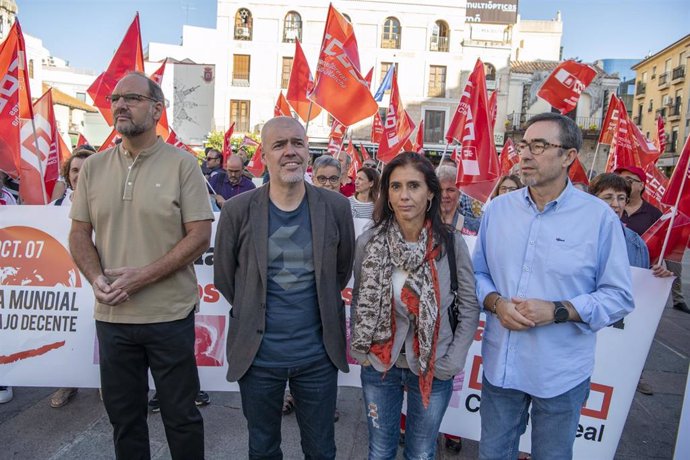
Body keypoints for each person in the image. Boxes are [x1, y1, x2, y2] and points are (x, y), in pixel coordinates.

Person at [69, 72, 213, 459]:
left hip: (169, 316)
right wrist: (97, 278)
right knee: (124, 419)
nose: (119, 105)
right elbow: (79, 234)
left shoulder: (183, 165)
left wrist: (141, 278)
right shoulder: (94, 168)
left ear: (156, 108)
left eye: (131, 97)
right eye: (115, 98)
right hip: (112, 319)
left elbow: (200, 236)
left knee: (181, 417)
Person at [473, 112, 634, 459]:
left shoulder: (599, 218)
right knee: (492, 454)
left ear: (568, 157)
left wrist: (559, 310)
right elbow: (477, 275)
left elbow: (618, 296)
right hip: (502, 367)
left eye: (540, 145)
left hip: (560, 375)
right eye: (524, 145)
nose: (526, 154)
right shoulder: (498, 210)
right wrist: (497, 303)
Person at [214, 116, 355, 459]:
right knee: (262, 448)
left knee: (321, 449)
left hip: (318, 357)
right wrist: (253, 305)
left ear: (308, 151)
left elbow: (341, 270)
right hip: (258, 357)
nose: (289, 151)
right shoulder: (237, 210)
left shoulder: (336, 207)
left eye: (297, 143)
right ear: (263, 155)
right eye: (279, 145)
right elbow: (225, 277)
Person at [350, 152, 480, 459]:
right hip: (381, 362)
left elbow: (470, 306)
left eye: (414, 186)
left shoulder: (450, 243)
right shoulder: (369, 242)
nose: (404, 195)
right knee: (380, 451)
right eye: (395, 187)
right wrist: (362, 352)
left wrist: (453, 360)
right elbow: (359, 296)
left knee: (421, 453)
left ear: (431, 192)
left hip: (434, 365)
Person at [589, 173, 673, 395]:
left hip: (614, 333)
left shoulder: (635, 243)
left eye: (621, 198)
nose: (615, 204)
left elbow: (639, 287)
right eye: (608, 197)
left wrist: (658, 275)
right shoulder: (575, 234)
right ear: (593, 199)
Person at [47, 147, 94, 408]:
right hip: (63, 279)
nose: (80, 175)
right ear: (68, 174)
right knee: (68, 331)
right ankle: (68, 383)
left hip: (94, 277)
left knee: (97, 330)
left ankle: (101, 383)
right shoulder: (53, 208)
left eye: (87, 170)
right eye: (75, 170)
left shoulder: (108, 204)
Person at [615, 166, 689, 314]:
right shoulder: (611, 207)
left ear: (641, 185)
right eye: (620, 179)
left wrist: (663, 272)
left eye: (629, 180)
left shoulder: (654, 215)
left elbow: (664, 250)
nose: (623, 183)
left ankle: (678, 300)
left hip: (639, 277)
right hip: (612, 271)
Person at [437, 165, 480, 235]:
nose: (444, 195)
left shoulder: (475, 227)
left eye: (450, 190)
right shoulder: (422, 224)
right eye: (439, 190)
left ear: (459, 192)